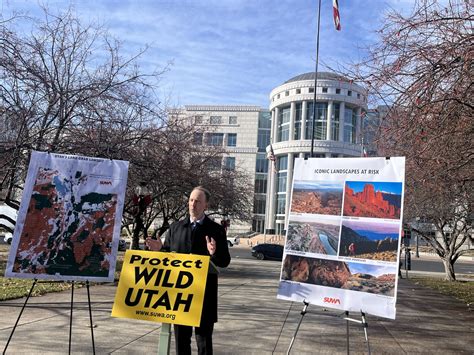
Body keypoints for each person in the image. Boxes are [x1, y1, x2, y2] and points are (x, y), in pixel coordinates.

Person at [146, 186, 231, 355]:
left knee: (204, 342)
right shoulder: (175, 228)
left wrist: (214, 253)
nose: (193, 204)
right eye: (191, 200)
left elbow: (225, 261)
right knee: (181, 342)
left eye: (198, 201)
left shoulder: (216, 230)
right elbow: (168, 258)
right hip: (179, 296)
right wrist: (159, 250)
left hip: (204, 296)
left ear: (206, 205)